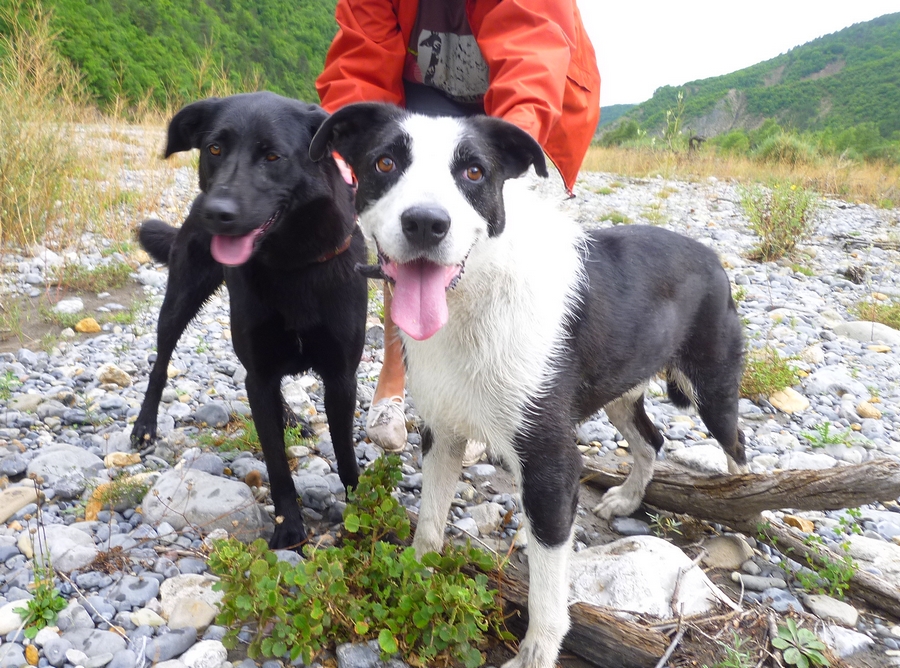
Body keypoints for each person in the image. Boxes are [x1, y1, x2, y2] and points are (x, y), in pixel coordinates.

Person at [316, 0, 600, 461]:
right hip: (422, 83)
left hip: (521, 100)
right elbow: (359, 62)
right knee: (404, 228)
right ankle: (399, 375)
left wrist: (490, 160)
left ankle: (491, 389)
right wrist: (359, 153)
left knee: (498, 251)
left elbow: (533, 50)